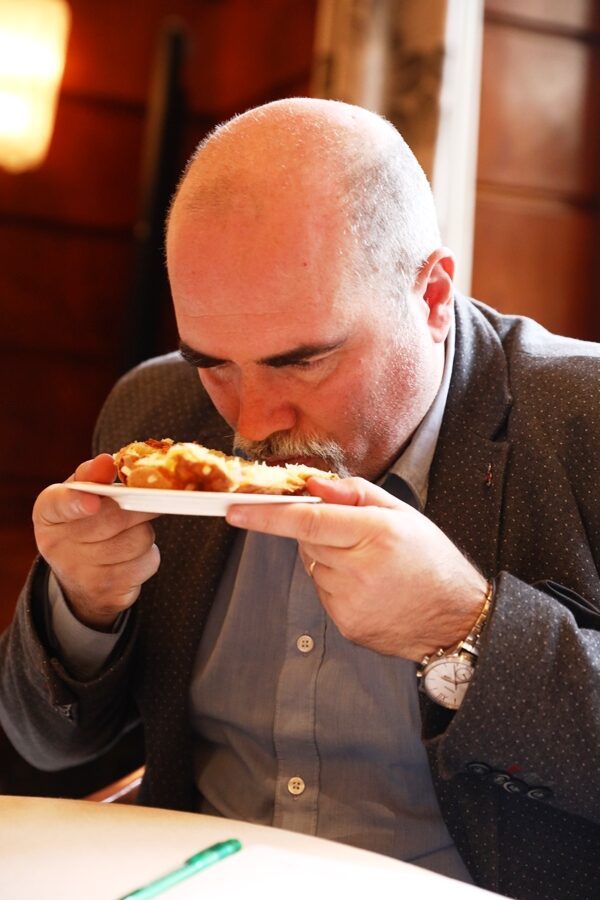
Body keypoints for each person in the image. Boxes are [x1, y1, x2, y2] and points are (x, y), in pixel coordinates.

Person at [1, 98, 599, 899]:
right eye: (213, 364)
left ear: (431, 297)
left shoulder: (582, 420)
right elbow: (44, 746)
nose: (251, 426)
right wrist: (83, 608)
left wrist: (462, 630)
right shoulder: (153, 410)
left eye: (301, 362)